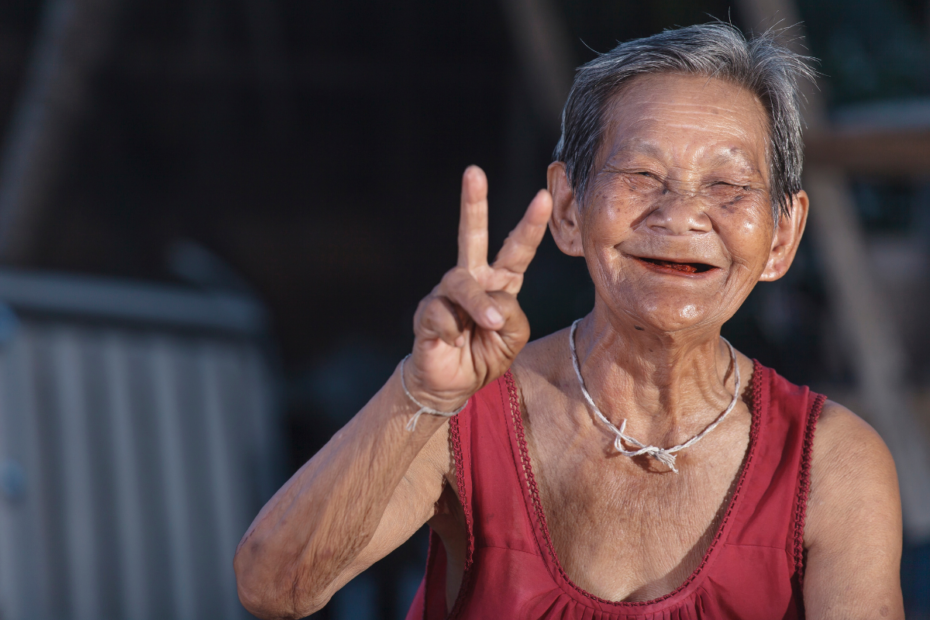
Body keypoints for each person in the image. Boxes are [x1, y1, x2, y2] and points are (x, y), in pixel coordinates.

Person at [233, 23, 904, 619]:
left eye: (728, 186)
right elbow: (274, 588)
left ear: (782, 237)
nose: (680, 215)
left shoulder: (832, 462)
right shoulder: (467, 411)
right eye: (642, 174)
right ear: (568, 210)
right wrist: (422, 393)